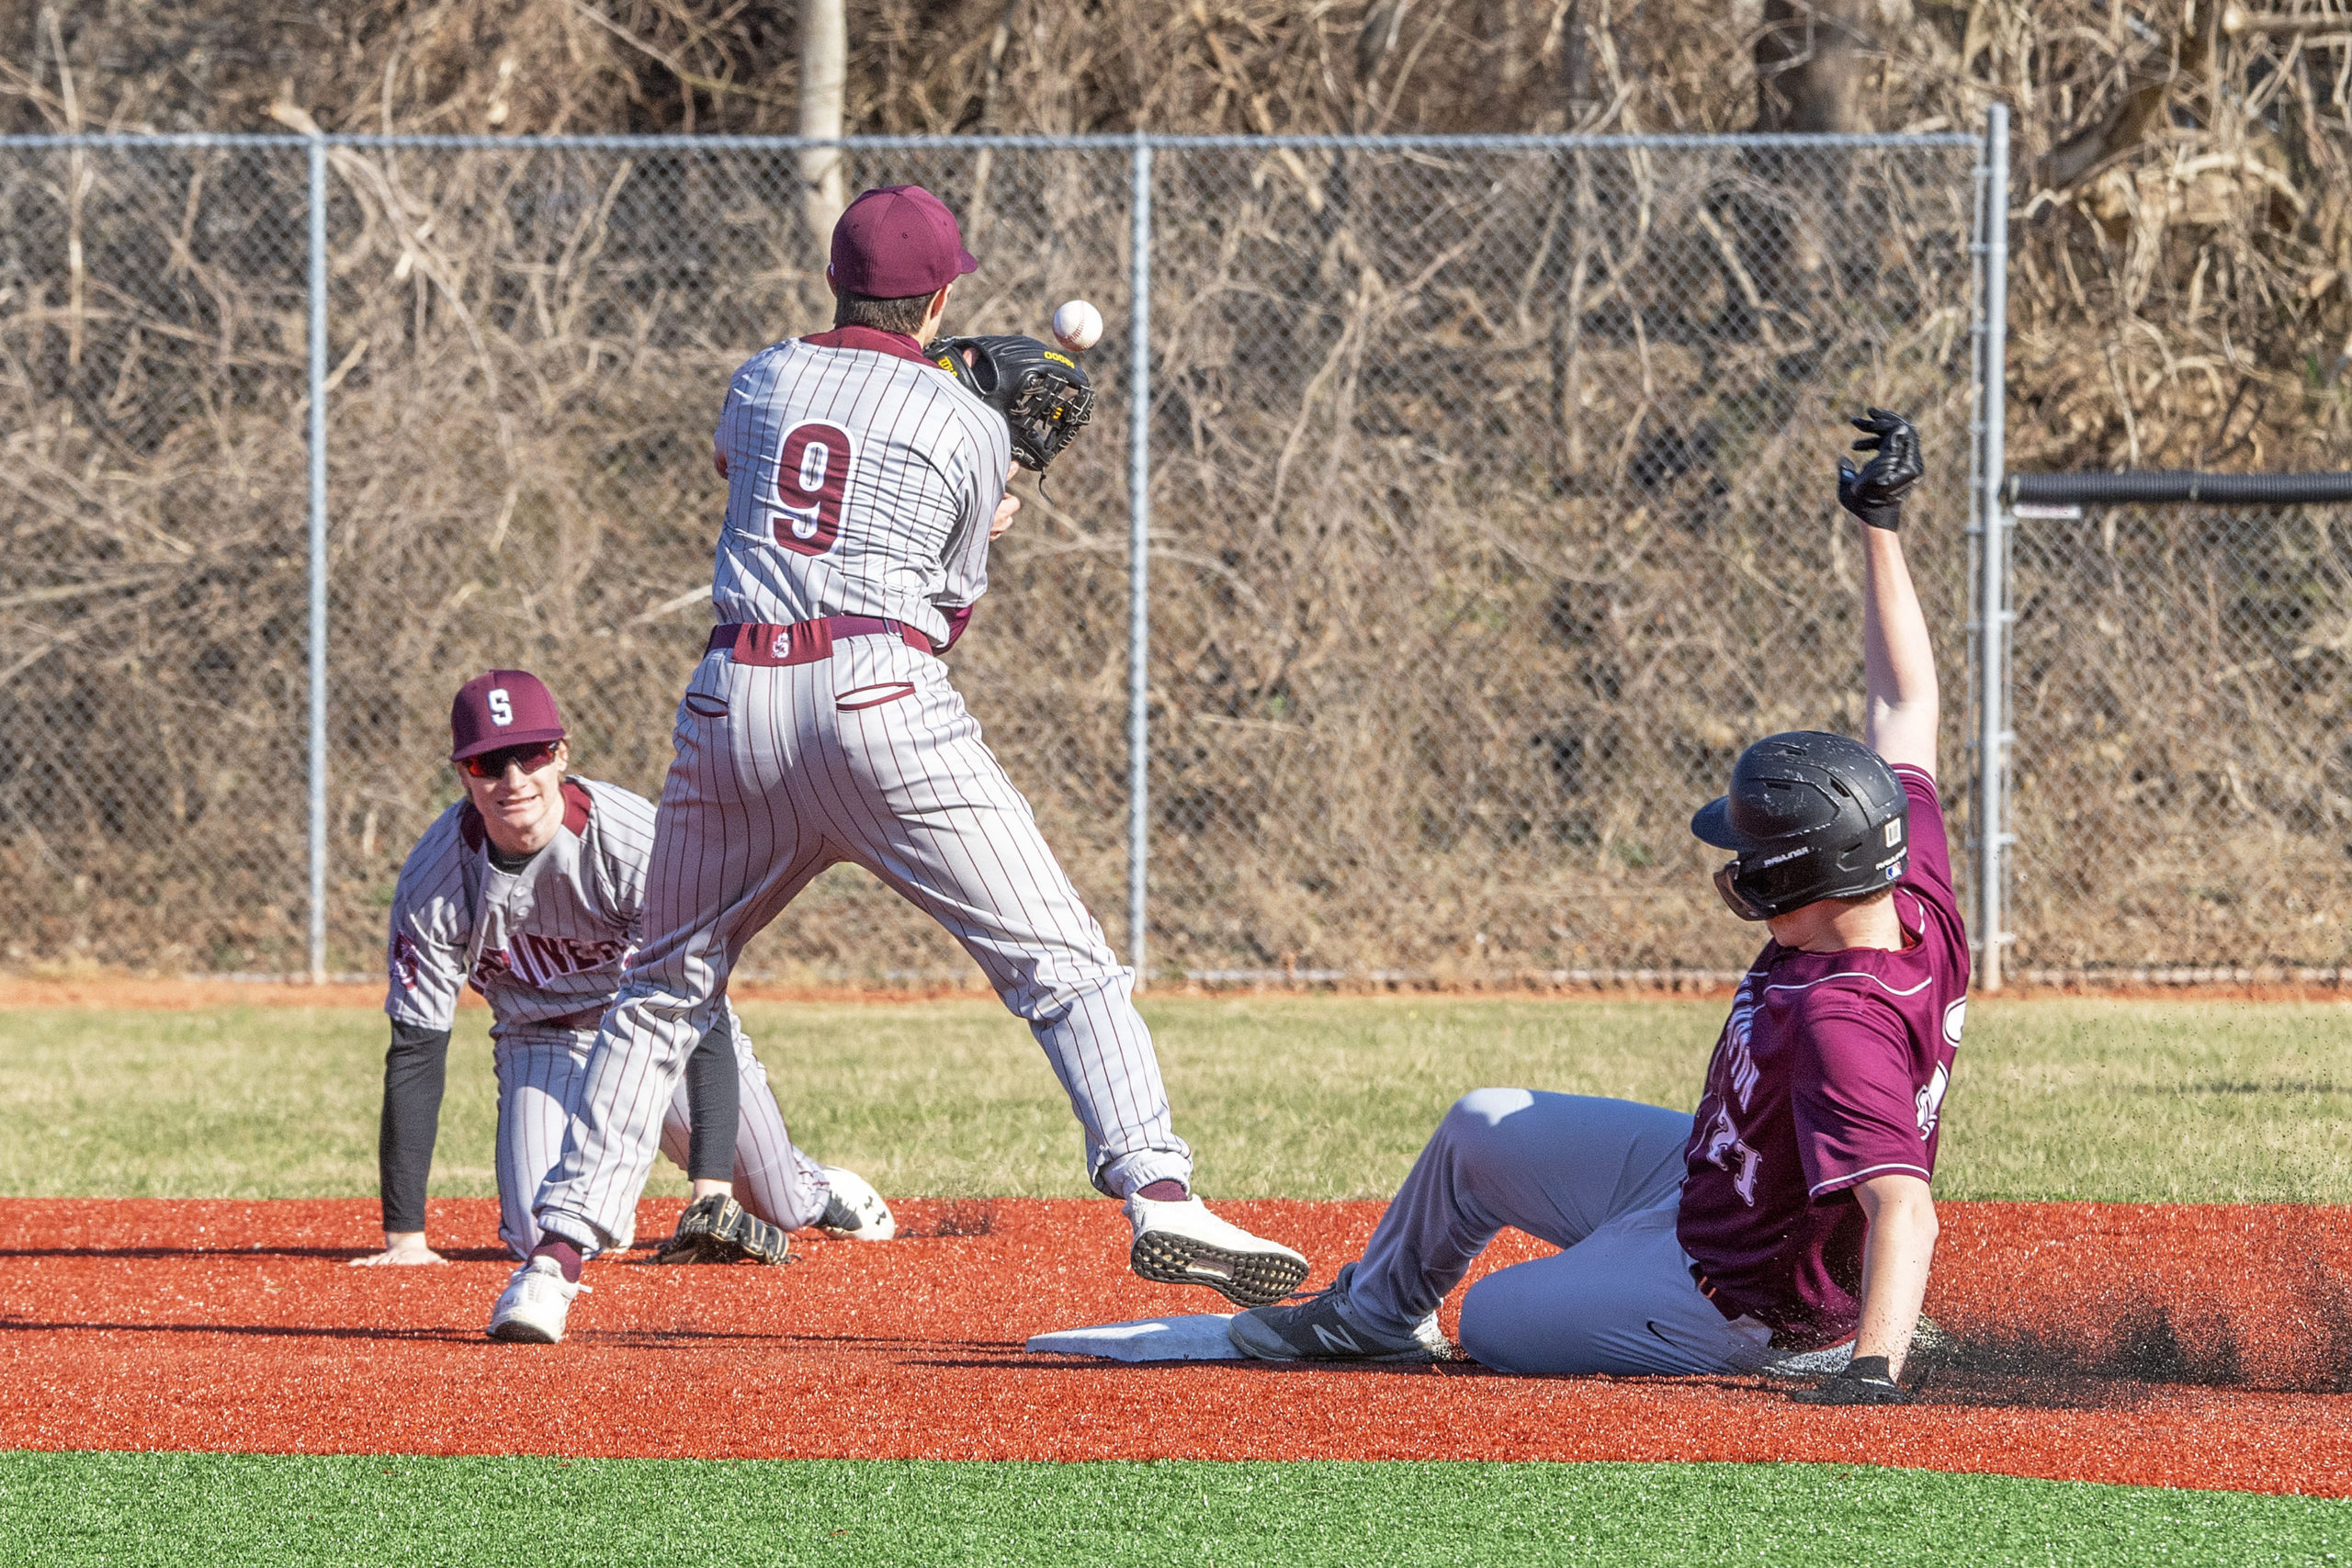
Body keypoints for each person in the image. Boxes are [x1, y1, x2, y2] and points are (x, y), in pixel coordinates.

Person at [486, 185, 1306, 1345]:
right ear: (941, 294)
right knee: (1059, 961)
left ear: (836, 279)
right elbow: (949, 609)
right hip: (878, 698)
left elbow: (770, 485)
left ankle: (551, 1269)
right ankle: (1160, 1194)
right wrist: (999, 480)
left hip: (735, 700)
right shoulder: (966, 423)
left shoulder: (760, 377)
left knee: (663, 984)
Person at [1227, 410, 1963, 1405]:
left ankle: (1805, 1347)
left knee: (1491, 1319)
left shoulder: (1841, 1017)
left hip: (1738, 1294)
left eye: (1748, 851)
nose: (1732, 862)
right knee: (1480, 1125)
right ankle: (1370, 1316)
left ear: (1790, 880)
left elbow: (1902, 1210)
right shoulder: (1903, 877)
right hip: (1705, 1175)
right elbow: (1905, 705)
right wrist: (1879, 525)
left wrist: (1872, 1370)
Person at [361, 670, 893, 1301]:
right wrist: (406, 1236)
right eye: (487, 762)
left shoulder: (631, 838)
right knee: (544, 1233)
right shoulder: (436, 877)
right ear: (462, 774)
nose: (512, 781)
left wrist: (711, 1189)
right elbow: (417, 1047)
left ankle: (812, 1184)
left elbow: (699, 998)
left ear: (560, 755)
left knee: (775, 1203)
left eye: (529, 755)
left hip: (651, 1029)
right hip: (541, 1042)